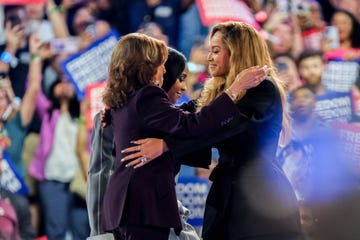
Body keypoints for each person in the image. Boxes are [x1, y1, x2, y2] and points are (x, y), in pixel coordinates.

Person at [121, 22, 302, 240]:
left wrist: (166, 145)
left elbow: (222, 129)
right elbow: (183, 118)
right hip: (226, 196)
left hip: (263, 199)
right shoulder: (220, 92)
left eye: (216, 51)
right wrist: (121, 109)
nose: (209, 57)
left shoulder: (263, 88)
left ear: (237, 53)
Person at [85, 47, 197, 240]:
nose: (184, 87)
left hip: (159, 222)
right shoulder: (110, 117)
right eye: (180, 78)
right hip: (121, 227)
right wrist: (100, 233)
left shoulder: (171, 120)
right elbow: (99, 174)